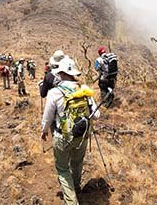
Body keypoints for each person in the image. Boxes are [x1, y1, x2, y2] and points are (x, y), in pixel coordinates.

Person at [41, 56, 100, 205]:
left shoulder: (55, 92)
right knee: (77, 162)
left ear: (60, 73)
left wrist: (44, 131)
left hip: (63, 137)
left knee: (62, 168)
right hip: (82, 136)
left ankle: (71, 200)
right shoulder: (84, 90)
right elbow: (97, 115)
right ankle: (76, 187)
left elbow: (47, 117)